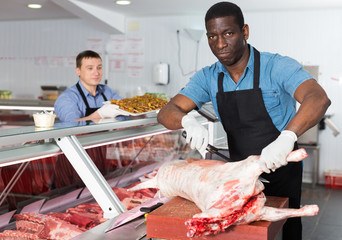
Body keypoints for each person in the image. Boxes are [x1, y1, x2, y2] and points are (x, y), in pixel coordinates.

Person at [157, 2, 330, 240]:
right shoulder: (208, 77)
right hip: (238, 173)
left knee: (287, 228)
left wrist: (287, 138)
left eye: (228, 33)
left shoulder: (277, 66)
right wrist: (186, 121)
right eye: (212, 36)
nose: (220, 44)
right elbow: (167, 111)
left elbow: (318, 98)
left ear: (244, 32)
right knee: (241, 232)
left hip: (282, 166)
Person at [54, 50, 125, 122]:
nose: (96, 73)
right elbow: (72, 125)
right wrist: (100, 114)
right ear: (78, 71)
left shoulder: (107, 91)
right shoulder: (67, 98)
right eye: (90, 68)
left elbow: (125, 110)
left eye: (99, 68)